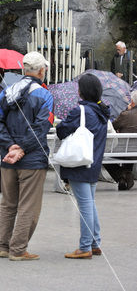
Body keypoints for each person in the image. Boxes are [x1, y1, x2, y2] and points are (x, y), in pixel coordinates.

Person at [0, 51, 53, 261]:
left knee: (8, 204)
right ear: (42, 71)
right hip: (32, 160)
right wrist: (22, 149)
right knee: (29, 205)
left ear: (23, 70)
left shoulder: (7, 92)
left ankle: (4, 246)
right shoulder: (44, 95)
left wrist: (10, 146)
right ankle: (18, 249)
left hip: (8, 159)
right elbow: (41, 127)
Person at [56, 73, 109, 259]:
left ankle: (85, 246)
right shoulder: (103, 112)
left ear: (82, 91)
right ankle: (95, 243)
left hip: (79, 165)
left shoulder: (80, 111)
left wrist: (60, 124)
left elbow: (62, 131)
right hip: (93, 164)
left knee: (85, 205)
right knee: (90, 203)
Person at [104, 90, 137, 190]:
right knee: (130, 149)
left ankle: (122, 175)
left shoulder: (126, 115)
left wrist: (127, 110)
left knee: (104, 156)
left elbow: (113, 126)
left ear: (132, 101)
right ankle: (124, 178)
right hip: (133, 151)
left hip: (124, 151)